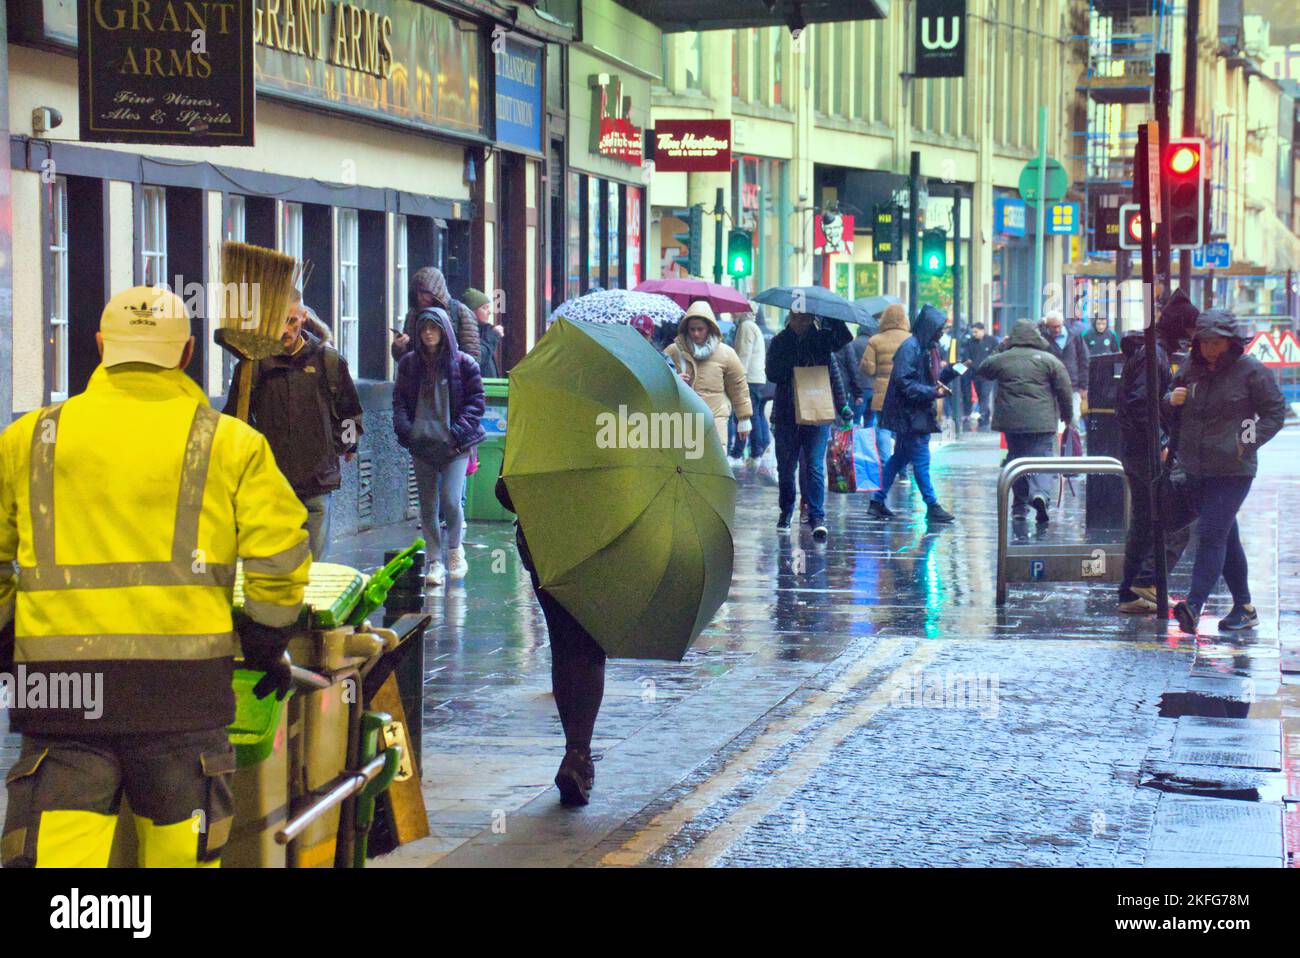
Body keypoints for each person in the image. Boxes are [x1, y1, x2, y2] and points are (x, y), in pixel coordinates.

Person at [0, 287, 310, 868]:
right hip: (183, 696)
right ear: (188, 352)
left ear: (99, 347)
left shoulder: (29, 439)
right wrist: (267, 638)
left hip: (60, 695)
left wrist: (5, 636)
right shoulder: (229, 443)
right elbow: (282, 554)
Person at [1165, 309, 1287, 634]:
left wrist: (1245, 442)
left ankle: (1193, 605)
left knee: (1211, 532)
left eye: (1216, 342)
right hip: (1196, 467)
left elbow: (1273, 413)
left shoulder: (1251, 372)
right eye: (1204, 342)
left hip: (1234, 469)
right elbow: (1169, 400)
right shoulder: (1190, 368)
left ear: (1231, 342)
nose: (1210, 349)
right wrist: (1171, 399)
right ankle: (1244, 607)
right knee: (1225, 536)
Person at [226, 288, 363, 561]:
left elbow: (350, 412)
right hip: (270, 485)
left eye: (291, 321)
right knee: (275, 566)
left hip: (317, 481)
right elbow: (233, 418)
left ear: (303, 318)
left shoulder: (328, 361)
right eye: (278, 322)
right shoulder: (253, 367)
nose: (284, 330)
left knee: (314, 570)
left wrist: (345, 444)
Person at [494, 476, 605, 806]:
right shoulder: (621, 424)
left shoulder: (536, 424)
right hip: (601, 542)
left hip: (543, 545)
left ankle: (575, 753)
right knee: (589, 644)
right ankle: (578, 755)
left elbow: (504, 490)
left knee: (563, 642)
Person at [1115, 289, 1197, 614]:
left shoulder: (1154, 351)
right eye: (1191, 329)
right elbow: (1139, 405)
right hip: (1147, 451)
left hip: (1137, 449)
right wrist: (1161, 443)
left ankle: (1131, 593)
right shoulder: (1155, 355)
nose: (1193, 337)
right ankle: (1147, 581)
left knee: (1144, 521)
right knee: (1178, 517)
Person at [392, 307, 486, 587]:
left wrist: (458, 432)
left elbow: (476, 401)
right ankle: (435, 560)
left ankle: (455, 550)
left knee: (450, 500)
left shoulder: (464, 363)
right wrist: (407, 431)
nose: (429, 333)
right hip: (422, 444)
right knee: (428, 505)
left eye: (434, 327)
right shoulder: (409, 364)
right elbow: (399, 401)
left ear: (444, 330)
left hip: (455, 446)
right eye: (424, 329)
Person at [974, 320, 1074, 524]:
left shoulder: (1003, 359)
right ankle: (1040, 495)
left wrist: (1002, 346)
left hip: (1011, 422)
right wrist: (1067, 415)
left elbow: (983, 369)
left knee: (1016, 460)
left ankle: (1019, 507)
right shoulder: (1049, 360)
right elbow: (1065, 389)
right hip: (1042, 421)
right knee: (1043, 459)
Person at [868, 304, 961, 524]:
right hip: (910, 415)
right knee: (920, 459)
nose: (941, 332)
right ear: (930, 328)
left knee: (899, 458)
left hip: (914, 412)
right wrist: (931, 392)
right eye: (939, 328)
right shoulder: (911, 347)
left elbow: (929, 378)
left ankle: (877, 501)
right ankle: (932, 504)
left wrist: (953, 371)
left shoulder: (927, 348)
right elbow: (904, 381)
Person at [767, 311, 853, 539]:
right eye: (796, 318)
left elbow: (837, 364)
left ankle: (817, 515)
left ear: (813, 319)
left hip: (816, 413)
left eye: (805, 318)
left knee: (814, 465)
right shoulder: (779, 341)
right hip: (786, 414)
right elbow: (772, 373)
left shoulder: (823, 341)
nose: (800, 323)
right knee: (786, 469)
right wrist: (794, 365)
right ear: (789, 319)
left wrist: (843, 405)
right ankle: (786, 510)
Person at [664, 301, 752, 451]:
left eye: (700, 329)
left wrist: (744, 418)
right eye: (692, 329)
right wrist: (673, 379)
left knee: (715, 469)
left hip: (715, 420)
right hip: (683, 421)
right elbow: (658, 378)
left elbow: (738, 386)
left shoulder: (726, 353)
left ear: (709, 328)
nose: (696, 333)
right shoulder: (674, 351)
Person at [391, 266, 479, 365]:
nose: (421, 297)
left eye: (425, 293)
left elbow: (472, 353)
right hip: (421, 376)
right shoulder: (413, 313)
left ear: (437, 292)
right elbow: (404, 358)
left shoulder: (460, 311)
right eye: (418, 293)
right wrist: (399, 346)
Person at [861, 303, 910, 465]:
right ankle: (902, 468)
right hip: (905, 391)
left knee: (883, 428)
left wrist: (879, 374)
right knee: (903, 430)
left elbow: (868, 368)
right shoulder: (910, 339)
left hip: (882, 391)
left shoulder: (875, 340)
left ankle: (886, 463)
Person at [732, 309, 772, 473]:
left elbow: (744, 354)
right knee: (757, 414)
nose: (733, 314)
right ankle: (759, 450)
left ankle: (747, 453)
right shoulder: (752, 325)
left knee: (748, 414)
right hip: (757, 378)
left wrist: (737, 377)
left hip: (749, 378)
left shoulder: (746, 326)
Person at [1039, 309, 1089, 426]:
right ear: (1047, 326)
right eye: (1053, 327)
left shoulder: (1074, 337)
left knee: (1073, 420)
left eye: (1058, 326)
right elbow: (1030, 329)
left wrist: (1084, 386)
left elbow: (1084, 361)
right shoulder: (1043, 337)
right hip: (1050, 386)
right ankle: (1056, 445)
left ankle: (1071, 444)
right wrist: (1041, 321)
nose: (1056, 330)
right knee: (1051, 423)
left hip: (1073, 385)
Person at [960, 322, 999, 430]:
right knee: (980, 394)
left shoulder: (992, 341)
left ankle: (983, 414)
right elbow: (967, 356)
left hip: (988, 374)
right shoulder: (970, 342)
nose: (974, 334)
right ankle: (985, 414)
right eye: (973, 332)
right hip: (976, 374)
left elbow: (996, 353)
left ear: (983, 330)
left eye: (976, 331)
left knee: (985, 394)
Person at [462, 287, 503, 379]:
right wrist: (493, 337)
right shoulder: (465, 332)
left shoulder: (485, 331)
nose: (489, 312)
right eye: (484, 308)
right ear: (471, 311)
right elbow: (479, 357)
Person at [849, 322, 876, 424]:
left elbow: (850, 365)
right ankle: (867, 440)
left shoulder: (853, 344)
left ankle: (855, 439)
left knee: (855, 419)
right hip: (875, 388)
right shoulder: (875, 345)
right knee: (870, 420)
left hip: (859, 388)